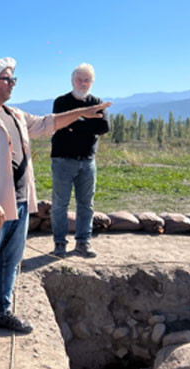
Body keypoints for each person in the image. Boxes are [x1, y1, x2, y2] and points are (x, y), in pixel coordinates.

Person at [0, 57, 111, 350]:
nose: (13, 84)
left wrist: (84, 113)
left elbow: (47, 123)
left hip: (20, 202)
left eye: (14, 79)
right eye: (8, 79)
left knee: (10, 262)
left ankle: (2, 313)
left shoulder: (13, 114)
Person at [50, 63, 110, 258]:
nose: (83, 83)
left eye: (87, 80)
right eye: (79, 79)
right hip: (63, 160)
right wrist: (88, 123)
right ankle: (60, 243)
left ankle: (83, 243)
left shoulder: (98, 102)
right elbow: (60, 125)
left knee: (86, 204)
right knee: (60, 204)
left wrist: (76, 125)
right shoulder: (61, 102)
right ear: (72, 80)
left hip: (87, 161)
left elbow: (103, 128)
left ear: (91, 82)